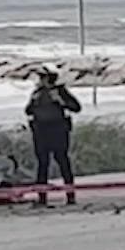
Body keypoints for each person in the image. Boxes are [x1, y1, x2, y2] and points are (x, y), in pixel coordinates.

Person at [25, 68, 81, 206]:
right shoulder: (37, 93)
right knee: (42, 164)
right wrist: (33, 101)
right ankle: (42, 197)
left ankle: (70, 195)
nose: (40, 81)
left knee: (62, 161)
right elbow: (28, 111)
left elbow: (76, 107)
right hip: (41, 131)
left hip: (58, 130)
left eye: (42, 78)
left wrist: (60, 101)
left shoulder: (60, 91)